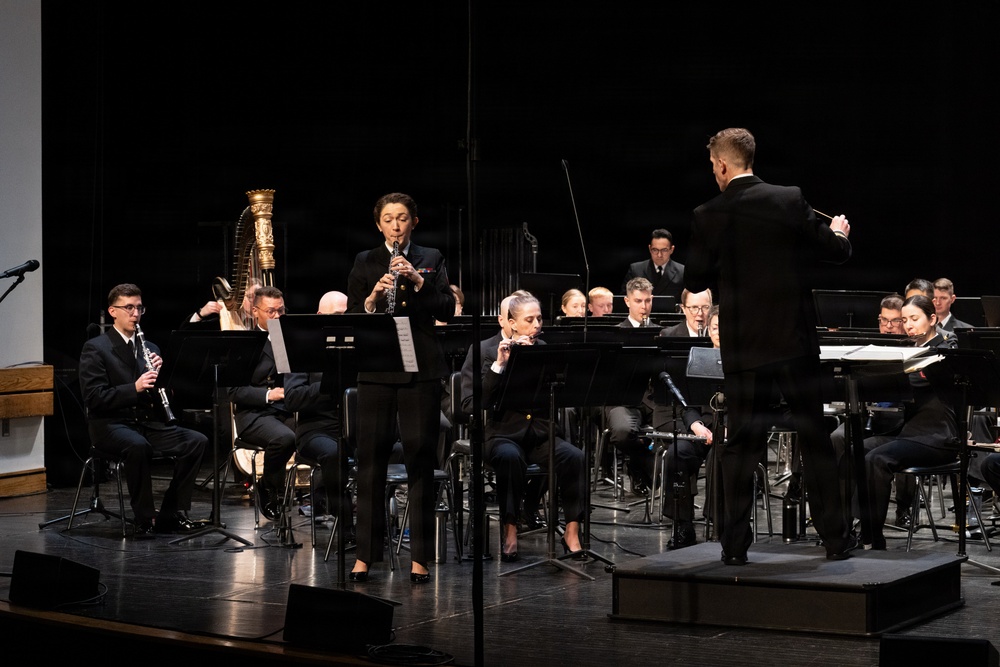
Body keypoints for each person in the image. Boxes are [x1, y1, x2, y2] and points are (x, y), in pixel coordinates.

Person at [685, 127, 855, 564]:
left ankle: (735, 548)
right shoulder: (789, 198)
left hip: (744, 349)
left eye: (713, 167)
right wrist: (838, 232)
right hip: (794, 343)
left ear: (722, 164)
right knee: (814, 438)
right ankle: (835, 540)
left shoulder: (708, 213)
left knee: (742, 446)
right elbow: (836, 252)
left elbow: (697, 280)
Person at [347, 192, 455, 584]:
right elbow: (354, 315)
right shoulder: (365, 261)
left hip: (421, 370)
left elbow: (447, 309)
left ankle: (420, 557)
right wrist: (373, 299)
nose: (396, 225)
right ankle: (365, 556)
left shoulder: (431, 258)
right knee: (370, 463)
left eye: (403, 218)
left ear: (414, 222)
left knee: (420, 462)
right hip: (375, 368)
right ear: (379, 225)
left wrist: (416, 281)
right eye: (389, 219)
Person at [461, 292, 586, 562]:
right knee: (509, 457)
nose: (537, 325)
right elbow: (471, 403)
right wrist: (500, 365)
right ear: (512, 323)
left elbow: (561, 395)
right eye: (529, 319)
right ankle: (510, 529)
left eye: (539, 318)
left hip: (540, 435)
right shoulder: (483, 350)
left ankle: (572, 533)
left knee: (574, 456)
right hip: (501, 434)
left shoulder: (544, 347)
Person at [79, 283, 207, 536]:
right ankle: (144, 518)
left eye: (139, 307)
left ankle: (171, 513)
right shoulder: (96, 348)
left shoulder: (150, 349)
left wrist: (163, 379)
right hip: (110, 424)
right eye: (128, 307)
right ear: (113, 311)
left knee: (197, 441)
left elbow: (160, 396)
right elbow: (94, 398)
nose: (135, 313)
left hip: (146, 422)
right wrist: (134, 387)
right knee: (138, 446)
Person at [862, 295, 958, 550]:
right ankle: (851, 528)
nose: (908, 325)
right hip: (909, 432)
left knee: (876, 459)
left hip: (938, 437)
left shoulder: (947, 346)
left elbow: (916, 380)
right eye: (905, 320)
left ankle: (873, 538)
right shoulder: (909, 346)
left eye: (914, 319)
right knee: (854, 448)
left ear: (933, 319)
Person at [228, 286, 295, 521]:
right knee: (285, 438)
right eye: (271, 312)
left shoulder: (293, 338)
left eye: (281, 311)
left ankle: (321, 499)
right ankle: (268, 487)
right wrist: (269, 395)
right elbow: (233, 391)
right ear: (256, 311)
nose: (277, 317)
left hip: (289, 410)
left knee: (321, 433)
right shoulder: (244, 344)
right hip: (255, 414)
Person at [621, 229, 685, 300]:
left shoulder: (682, 272)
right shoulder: (635, 270)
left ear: (672, 249)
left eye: (664, 250)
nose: (659, 255)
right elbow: (625, 299)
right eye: (655, 250)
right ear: (649, 249)